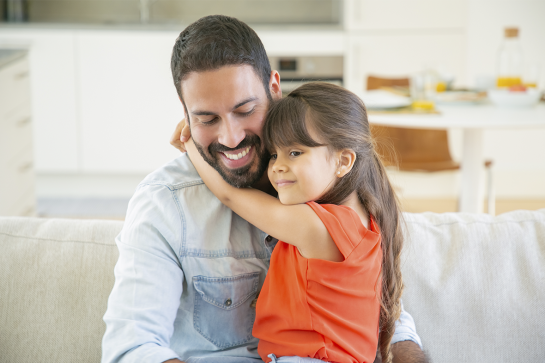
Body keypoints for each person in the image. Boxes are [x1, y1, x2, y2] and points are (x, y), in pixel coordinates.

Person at [102, 15, 426, 363]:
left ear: (274, 87)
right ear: (185, 115)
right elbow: (133, 348)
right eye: (207, 119)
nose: (231, 138)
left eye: (245, 110)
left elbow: (377, 311)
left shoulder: (326, 187)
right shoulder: (165, 203)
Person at [183, 81, 402, 363]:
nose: (277, 166)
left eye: (295, 153)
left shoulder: (316, 227)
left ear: (343, 161)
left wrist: (190, 141)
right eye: (274, 153)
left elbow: (230, 195)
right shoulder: (365, 221)